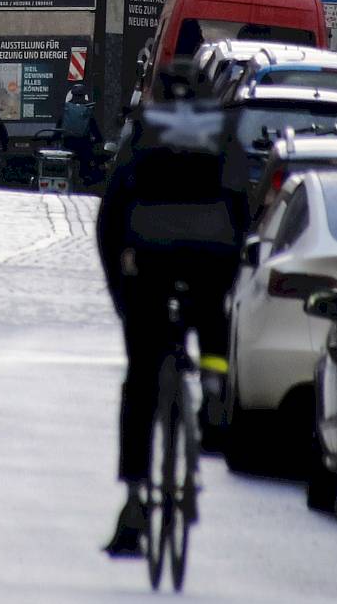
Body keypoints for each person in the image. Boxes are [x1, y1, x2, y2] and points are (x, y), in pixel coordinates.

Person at [93, 99, 250, 558]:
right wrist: (229, 277)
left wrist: (121, 294)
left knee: (141, 382)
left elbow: (110, 218)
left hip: (149, 260)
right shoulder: (222, 131)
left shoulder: (143, 130)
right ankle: (215, 389)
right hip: (210, 258)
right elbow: (243, 208)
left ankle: (134, 502)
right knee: (213, 316)